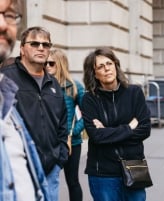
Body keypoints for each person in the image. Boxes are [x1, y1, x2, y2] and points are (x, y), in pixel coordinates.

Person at [0, 26, 68, 201]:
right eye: (35, 43)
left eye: (45, 45)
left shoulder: (54, 84)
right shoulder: (6, 79)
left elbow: (62, 124)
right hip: (21, 169)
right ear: (22, 48)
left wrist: (60, 158)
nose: (41, 48)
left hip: (50, 170)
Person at [81, 47, 151, 201]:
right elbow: (97, 136)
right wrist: (129, 127)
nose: (106, 69)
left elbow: (145, 130)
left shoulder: (134, 93)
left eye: (109, 63)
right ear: (94, 73)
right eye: (100, 66)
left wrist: (108, 132)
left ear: (115, 65)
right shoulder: (89, 100)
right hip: (103, 174)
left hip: (134, 167)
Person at [0, 1, 50, 201]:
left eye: (10, 14)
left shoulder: (5, 92)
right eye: (35, 44)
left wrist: (59, 153)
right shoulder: (12, 77)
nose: (3, 24)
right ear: (22, 49)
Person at [45, 48, 85, 201]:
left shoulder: (74, 86)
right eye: (45, 63)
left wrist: (74, 131)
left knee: (72, 181)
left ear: (60, 64)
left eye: (51, 63)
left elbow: (88, 116)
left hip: (71, 143)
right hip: (49, 143)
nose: (47, 66)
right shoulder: (42, 85)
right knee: (48, 181)